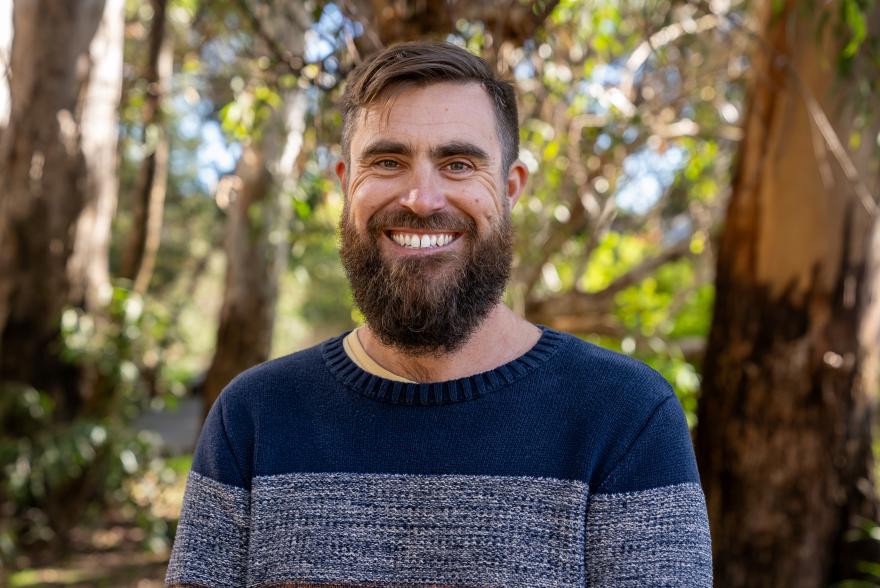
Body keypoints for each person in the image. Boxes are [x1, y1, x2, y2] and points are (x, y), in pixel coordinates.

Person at [166, 41, 712, 587]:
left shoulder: (626, 416)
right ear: (343, 184)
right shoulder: (254, 416)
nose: (422, 198)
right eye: (387, 161)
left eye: (458, 164)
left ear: (509, 187)